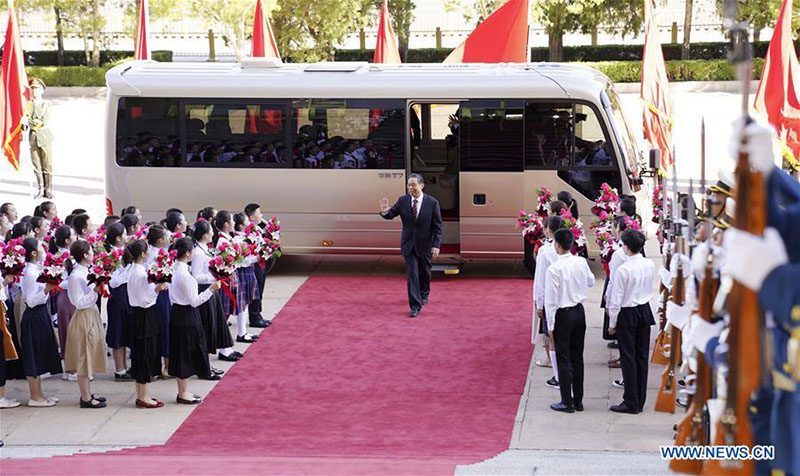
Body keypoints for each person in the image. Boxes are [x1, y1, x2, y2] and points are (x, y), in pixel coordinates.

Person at [544, 229, 595, 413]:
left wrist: (550, 326)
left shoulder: (554, 269)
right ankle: (578, 399)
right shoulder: (580, 262)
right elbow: (590, 282)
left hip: (563, 315)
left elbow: (551, 301)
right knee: (577, 357)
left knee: (564, 358)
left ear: (557, 245)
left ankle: (567, 401)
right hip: (579, 312)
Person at [379, 173, 443, 318]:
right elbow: (391, 214)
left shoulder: (432, 203)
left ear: (422, 186)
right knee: (412, 274)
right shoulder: (403, 201)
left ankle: (424, 293)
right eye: (409, 185)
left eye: (413, 185)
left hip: (425, 244)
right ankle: (415, 305)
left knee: (424, 271)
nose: (410, 188)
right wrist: (383, 212)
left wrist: (436, 244)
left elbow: (438, 226)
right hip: (408, 244)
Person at [606, 229, 654, 414]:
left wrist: (612, 323)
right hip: (644, 309)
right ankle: (639, 399)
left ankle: (631, 401)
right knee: (642, 356)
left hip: (628, 313)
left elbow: (616, 299)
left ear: (626, 247)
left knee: (628, 357)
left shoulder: (623, 270)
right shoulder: (648, 263)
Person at [169, 238, 221, 404]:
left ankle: (183, 391)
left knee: (182, 352)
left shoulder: (173, 269)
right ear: (187, 253)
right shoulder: (185, 276)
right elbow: (194, 301)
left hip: (176, 312)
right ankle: (183, 393)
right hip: (187, 314)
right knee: (185, 353)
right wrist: (211, 289)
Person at [19, 238, 62, 406]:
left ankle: (40, 394)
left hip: (40, 313)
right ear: (33, 253)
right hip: (34, 315)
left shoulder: (35, 269)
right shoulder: (30, 273)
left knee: (40, 353)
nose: (44, 249)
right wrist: (46, 289)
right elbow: (30, 301)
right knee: (34, 355)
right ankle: (35, 396)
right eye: (40, 247)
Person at [126, 239, 168, 408]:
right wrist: (157, 289)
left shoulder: (135, 270)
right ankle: (143, 396)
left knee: (140, 353)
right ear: (143, 254)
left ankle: (142, 394)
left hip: (139, 315)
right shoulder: (140, 274)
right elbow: (144, 300)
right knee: (144, 354)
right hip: (144, 315)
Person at [65, 240, 107, 408]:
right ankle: (85, 397)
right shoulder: (76, 276)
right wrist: (95, 291)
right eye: (91, 252)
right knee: (84, 356)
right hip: (83, 316)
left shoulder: (86, 272)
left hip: (90, 313)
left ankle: (88, 393)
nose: (93, 254)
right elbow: (79, 302)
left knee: (89, 354)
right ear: (84, 255)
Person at [191, 219, 238, 365]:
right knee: (208, 324)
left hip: (212, 289)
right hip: (205, 290)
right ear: (205, 235)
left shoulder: (205, 248)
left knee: (218, 320)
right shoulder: (198, 253)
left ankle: (225, 349)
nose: (213, 233)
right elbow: (196, 277)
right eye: (211, 231)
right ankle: (206, 363)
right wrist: (215, 276)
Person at [533, 216, 565, 387]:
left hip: (550, 300)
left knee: (551, 337)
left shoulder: (545, 251)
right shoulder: (568, 248)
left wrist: (539, 304)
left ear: (548, 230)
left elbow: (540, 280)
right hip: (567, 301)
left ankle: (558, 375)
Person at [105, 223, 133, 381]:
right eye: (124, 234)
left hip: (127, 296)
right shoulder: (110, 256)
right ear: (117, 238)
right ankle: (119, 369)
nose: (126, 237)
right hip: (118, 297)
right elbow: (113, 281)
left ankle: (125, 367)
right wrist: (127, 272)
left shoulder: (125, 252)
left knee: (126, 331)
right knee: (118, 332)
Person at [27, 78, 55, 199]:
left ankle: (48, 190)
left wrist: (28, 122)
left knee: (47, 165)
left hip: (44, 137)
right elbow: (25, 118)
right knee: (37, 166)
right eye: (32, 89)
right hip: (33, 138)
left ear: (42, 90)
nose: (34, 91)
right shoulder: (28, 105)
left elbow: (43, 121)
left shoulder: (46, 104)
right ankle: (40, 189)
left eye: (37, 89)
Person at [244, 203, 270, 329]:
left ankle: (258, 314)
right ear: (252, 217)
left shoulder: (257, 228)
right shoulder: (249, 231)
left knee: (260, 288)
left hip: (260, 263)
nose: (261, 215)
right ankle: (254, 317)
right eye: (259, 213)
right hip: (254, 264)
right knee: (255, 290)